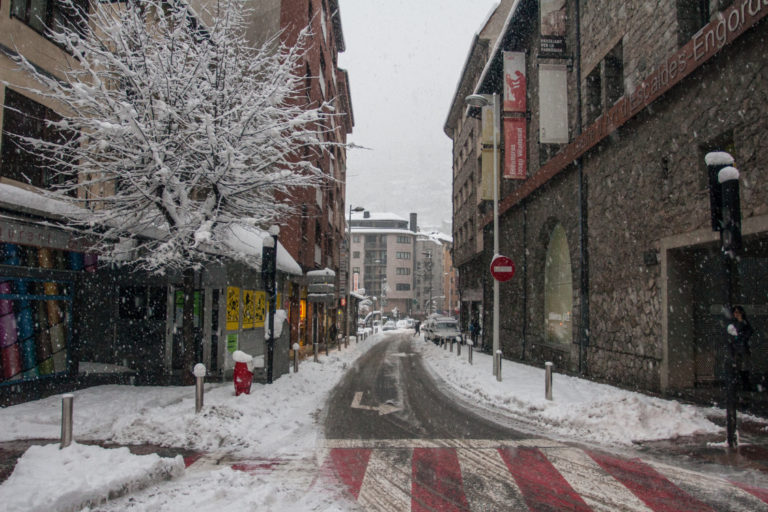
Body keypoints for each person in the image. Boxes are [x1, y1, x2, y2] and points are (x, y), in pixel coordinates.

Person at [727, 305, 754, 391]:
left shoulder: (744, 323)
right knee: (737, 366)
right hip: (736, 348)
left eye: (737, 312)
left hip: (742, 347)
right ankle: (740, 385)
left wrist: (741, 339)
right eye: (735, 312)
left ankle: (745, 384)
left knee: (744, 367)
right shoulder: (734, 323)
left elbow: (748, 333)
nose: (736, 314)